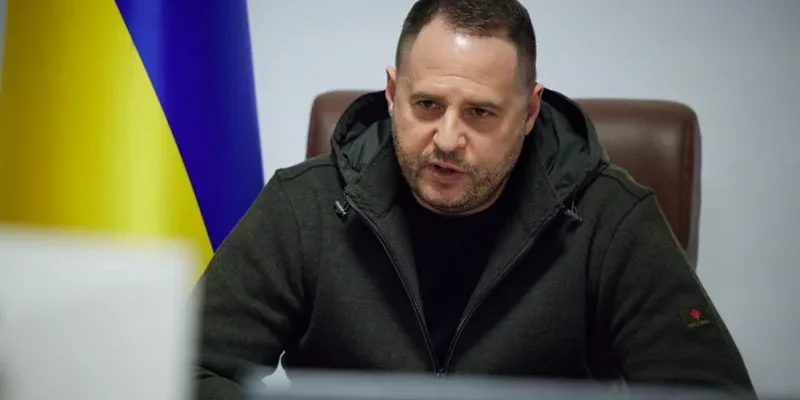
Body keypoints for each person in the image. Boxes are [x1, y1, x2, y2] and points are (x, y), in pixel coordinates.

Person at [195, 0, 754, 398]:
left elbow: (711, 392)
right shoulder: (304, 206)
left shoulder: (610, 219)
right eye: (427, 105)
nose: (446, 139)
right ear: (392, 93)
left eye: (480, 113)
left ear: (529, 112)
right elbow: (186, 372)